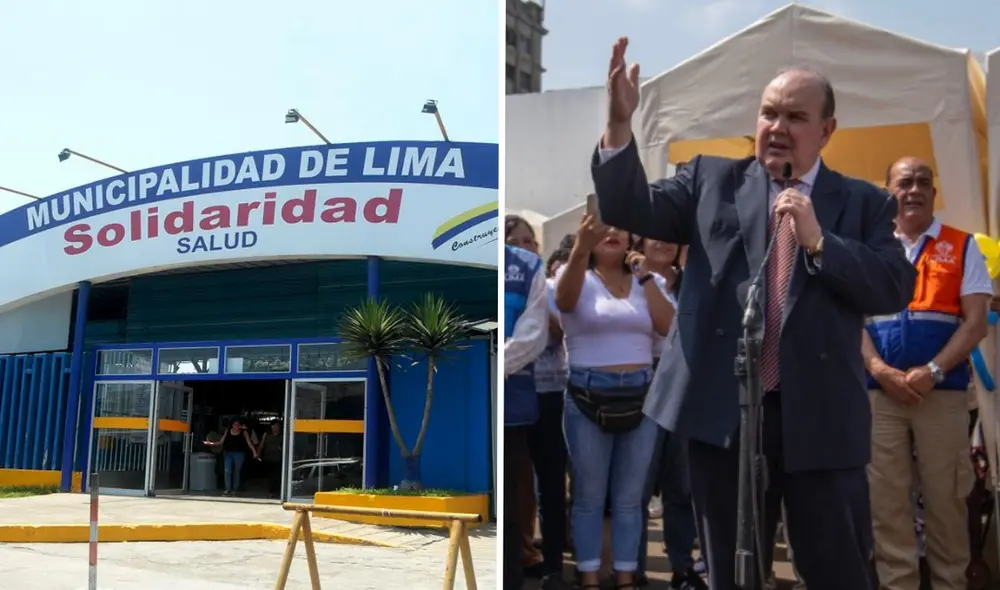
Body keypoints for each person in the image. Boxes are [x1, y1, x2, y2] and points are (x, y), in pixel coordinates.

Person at [591, 37, 915, 590]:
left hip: (820, 418)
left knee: (837, 570)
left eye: (795, 115)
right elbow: (628, 207)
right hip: (725, 413)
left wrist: (820, 243)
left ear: (827, 130)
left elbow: (893, 286)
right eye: (769, 113)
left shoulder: (863, 202)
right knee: (732, 571)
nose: (778, 126)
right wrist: (620, 126)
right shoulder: (709, 180)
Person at [863, 157, 991, 590]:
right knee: (887, 507)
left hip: (942, 396)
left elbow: (975, 323)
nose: (914, 189)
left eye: (923, 181)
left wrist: (933, 371)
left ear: (935, 193)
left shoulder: (962, 245)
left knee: (947, 505)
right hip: (881, 397)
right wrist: (880, 370)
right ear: (888, 192)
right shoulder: (870, 248)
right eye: (904, 182)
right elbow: (851, 322)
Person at [554, 217, 674, 590]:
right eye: (602, 227)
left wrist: (645, 276)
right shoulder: (576, 275)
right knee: (589, 495)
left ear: (631, 238)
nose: (612, 233)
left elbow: (668, 325)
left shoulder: (648, 281)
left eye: (620, 228)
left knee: (629, 498)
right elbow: (563, 300)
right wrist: (580, 249)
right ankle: (589, 576)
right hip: (587, 395)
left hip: (640, 395)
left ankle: (625, 577)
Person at [632, 237, 706, 590]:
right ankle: (632, 569)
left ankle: (682, 566)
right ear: (640, 241)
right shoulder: (629, 277)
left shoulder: (696, 278)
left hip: (686, 383)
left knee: (680, 485)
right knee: (640, 486)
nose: (662, 242)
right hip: (643, 380)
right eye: (654, 234)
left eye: (670, 236)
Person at [504, 241, 549, 590]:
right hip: (477, 402)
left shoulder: (528, 266)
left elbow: (534, 335)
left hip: (514, 412)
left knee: (514, 503)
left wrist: (495, 367)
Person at [204, 418, 259, 496]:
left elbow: (249, 443)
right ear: (232, 425)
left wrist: (254, 452)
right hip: (228, 453)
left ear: (240, 426)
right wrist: (211, 443)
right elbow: (221, 442)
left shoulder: (244, 432)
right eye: (234, 424)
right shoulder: (227, 431)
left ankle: (234, 489)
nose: (236, 426)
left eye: (237, 425)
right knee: (227, 470)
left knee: (236, 472)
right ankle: (228, 489)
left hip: (239, 454)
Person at [257, 421, 284, 498]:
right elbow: (261, 444)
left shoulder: (282, 436)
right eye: (274, 426)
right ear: (271, 427)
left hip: (278, 458)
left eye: (277, 426)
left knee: (276, 475)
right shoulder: (266, 434)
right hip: (268, 458)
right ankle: (272, 491)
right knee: (270, 476)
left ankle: (275, 491)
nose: (275, 427)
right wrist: (258, 453)